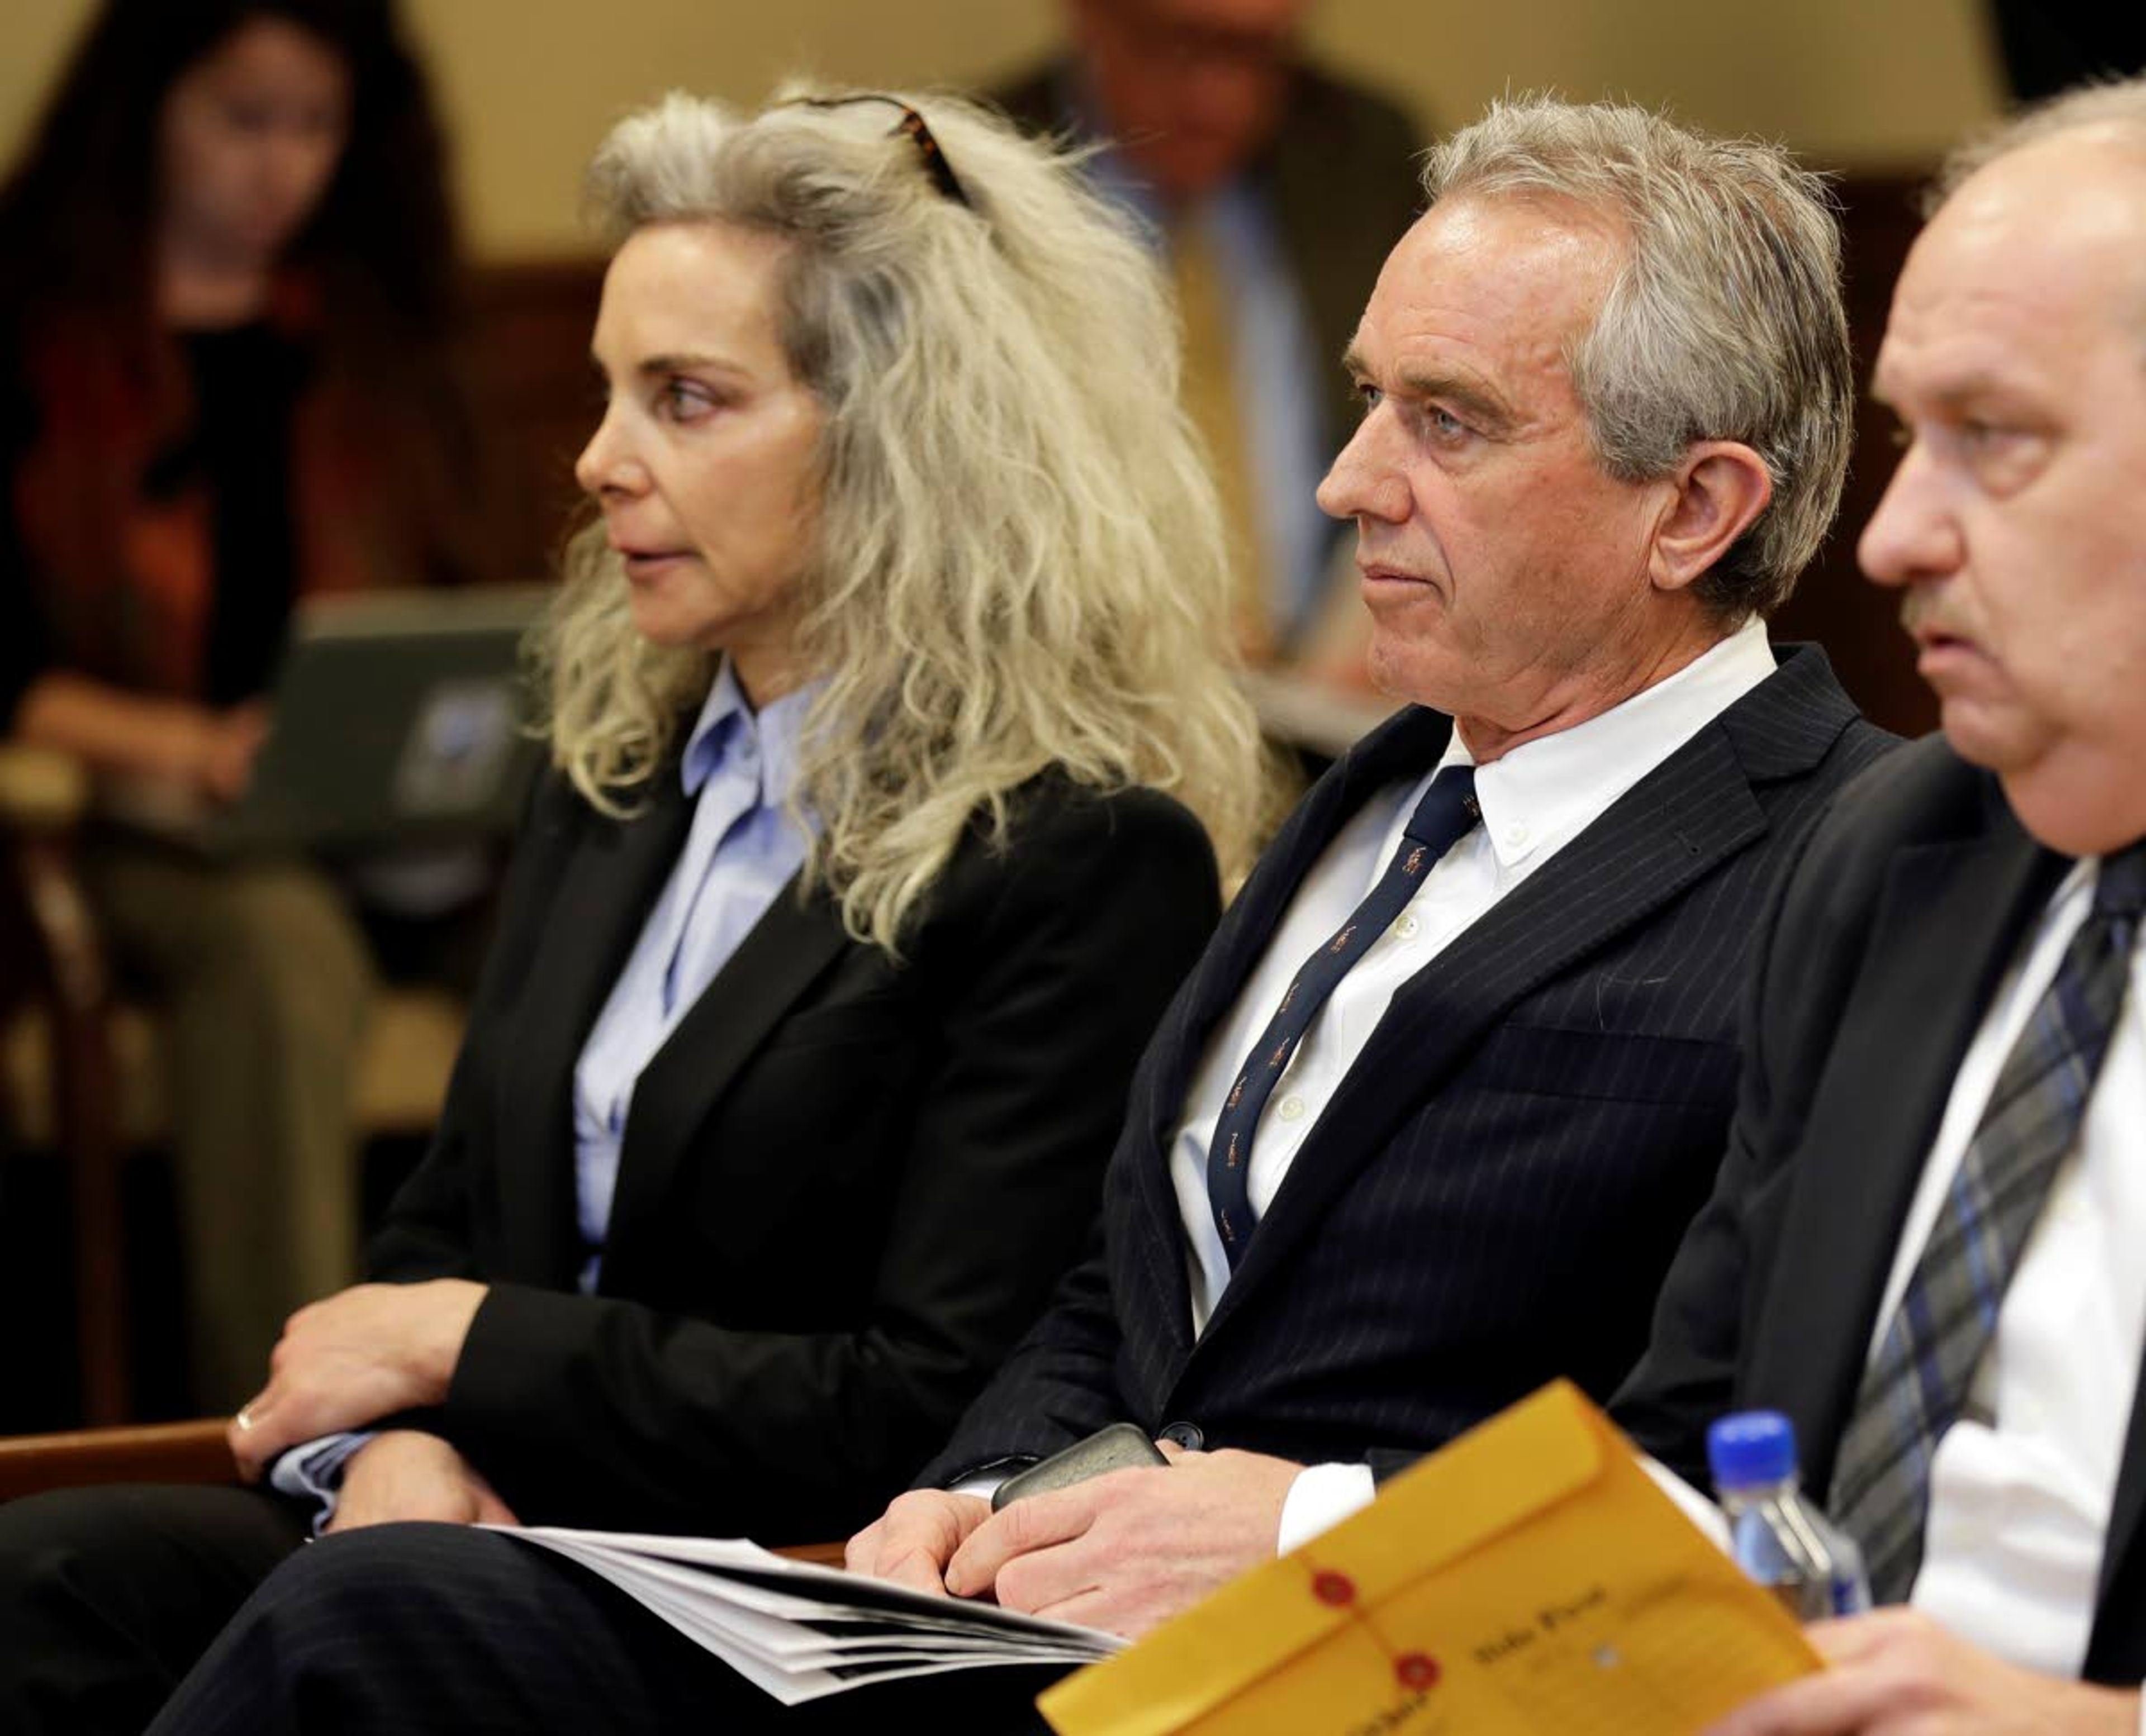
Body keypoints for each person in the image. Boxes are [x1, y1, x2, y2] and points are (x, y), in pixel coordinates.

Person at [139, 94, 1897, 1735]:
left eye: (1441, 422)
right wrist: (959, 1502)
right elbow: (1108, 1280)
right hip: (1005, 1621)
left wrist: (1301, 1526)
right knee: (98, 1588)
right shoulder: (1373, 795)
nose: (1345, 481)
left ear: (1694, 509)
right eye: (1363, 400)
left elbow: (1767, 1465)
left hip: (1383, 1676)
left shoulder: (1848, 857)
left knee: (367, 1637)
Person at [0, 84, 1270, 1735]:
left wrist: (468, 1349)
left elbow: (925, 1398)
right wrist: (405, 1442)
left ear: (903, 440)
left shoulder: (1082, 855)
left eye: (684, 399)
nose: (600, 462)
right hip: (475, 1518)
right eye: (610, 394)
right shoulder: (619, 769)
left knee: (350, 1632)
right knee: (41, 1577)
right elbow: (440, 1221)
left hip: (770, 1588)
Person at [1599, 77, 2146, 1735]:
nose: (1895, 534)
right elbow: (1690, 1446)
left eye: (1997, 438)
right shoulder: (1893, 854)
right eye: (1910, 438)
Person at [0, 0, 490, 1409]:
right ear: (148, 111)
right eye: (242, 119)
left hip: (391, 809)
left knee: (589, 900)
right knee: (279, 945)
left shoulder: (376, 331)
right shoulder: (37, 333)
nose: (278, 166)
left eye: (313, 126)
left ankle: (594, 1378)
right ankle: (290, 1417)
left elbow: (470, 586)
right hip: (133, 817)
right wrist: (188, 751)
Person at [990, 0, 1423, 672]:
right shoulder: (968, 178)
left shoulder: (1366, 160)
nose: (1221, 100)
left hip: (1328, 715)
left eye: (1260, 54)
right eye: (1180, 47)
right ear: (1088, 18)